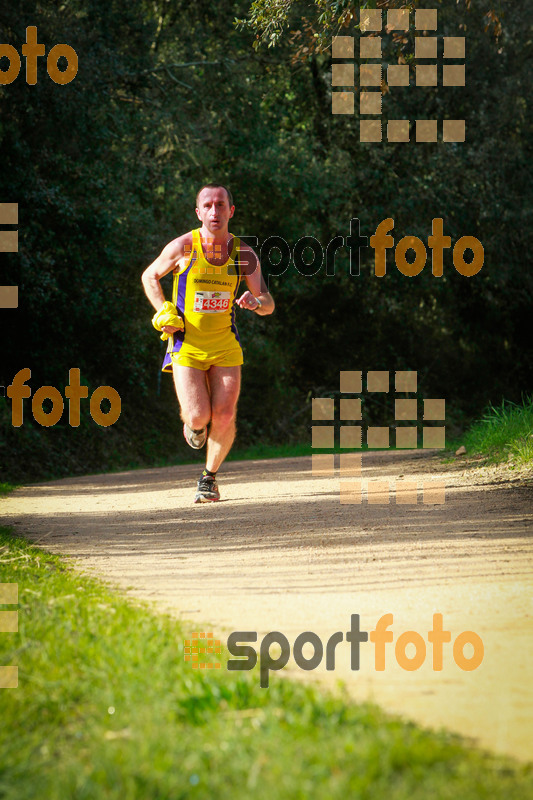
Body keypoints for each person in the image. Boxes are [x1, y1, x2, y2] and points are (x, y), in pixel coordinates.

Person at [141, 184, 274, 503]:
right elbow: (150, 277)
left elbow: (268, 302)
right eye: (208, 205)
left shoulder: (243, 254)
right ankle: (196, 428)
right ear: (199, 212)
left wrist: (256, 303)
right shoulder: (184, 247)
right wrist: (164, 310)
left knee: (226, 415)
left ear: (231, 211)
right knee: (198, 415)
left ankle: (208, 478)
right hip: (186, 345)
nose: (215, 211)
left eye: (221, 205)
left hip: (226, 345)